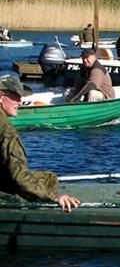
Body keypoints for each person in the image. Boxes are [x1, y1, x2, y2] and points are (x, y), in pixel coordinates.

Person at [0, 75, 80, 211]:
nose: (20, 102)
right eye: (16, 97)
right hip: (4, 194)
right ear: (1, 96)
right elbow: (20, 178)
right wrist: (53, 197)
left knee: (49, 177)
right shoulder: (7, 132)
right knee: (49, 180)